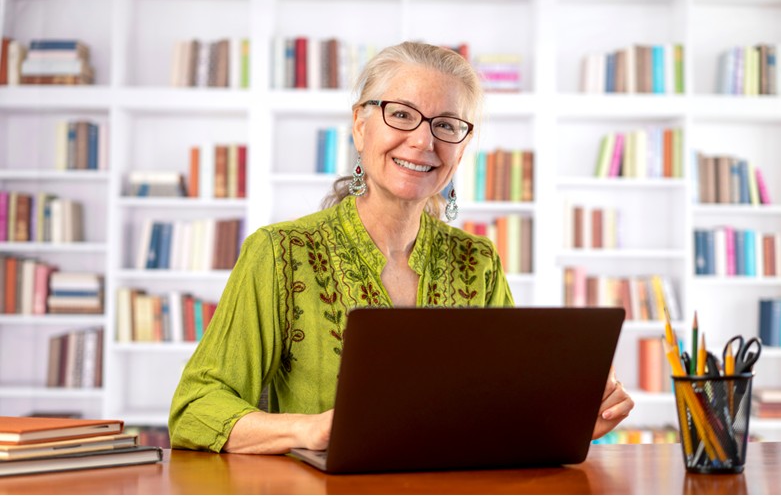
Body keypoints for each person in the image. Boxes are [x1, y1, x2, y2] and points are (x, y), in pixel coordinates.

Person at [168, 41, 634, 454]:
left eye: (447, 125)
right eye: (402, 115)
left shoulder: (479, 262)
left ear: (462, 147)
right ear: (360, 125)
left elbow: (502, 411)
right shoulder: (278, 253)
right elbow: (195, 408)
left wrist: (572, 420)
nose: (423, 141)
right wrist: (307, 429)